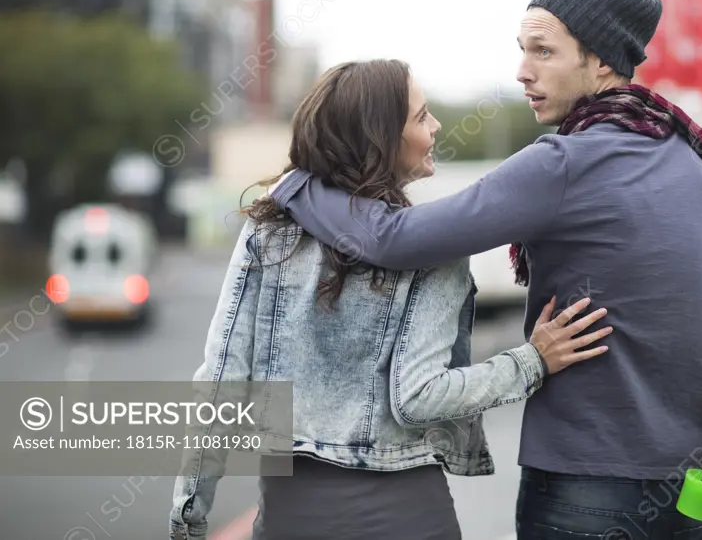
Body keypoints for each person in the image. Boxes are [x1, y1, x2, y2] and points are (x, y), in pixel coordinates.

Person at [269, 0, 702, 539]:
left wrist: (298, 187)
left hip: (582, 488)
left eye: (544, 51)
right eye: (523, 51)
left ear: (600, 60)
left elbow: (394, 239)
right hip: (687, 493)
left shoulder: (563, 163)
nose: (523, 71)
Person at [168, 58, 614, 540]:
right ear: (380, 139)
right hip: (408, 517)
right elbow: (419, 400)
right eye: (422, 117)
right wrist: (531, 362)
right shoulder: (435, 248)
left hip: (292, 516)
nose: (437, 126)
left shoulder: (269, 233)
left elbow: (221, 382)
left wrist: (189, 509)